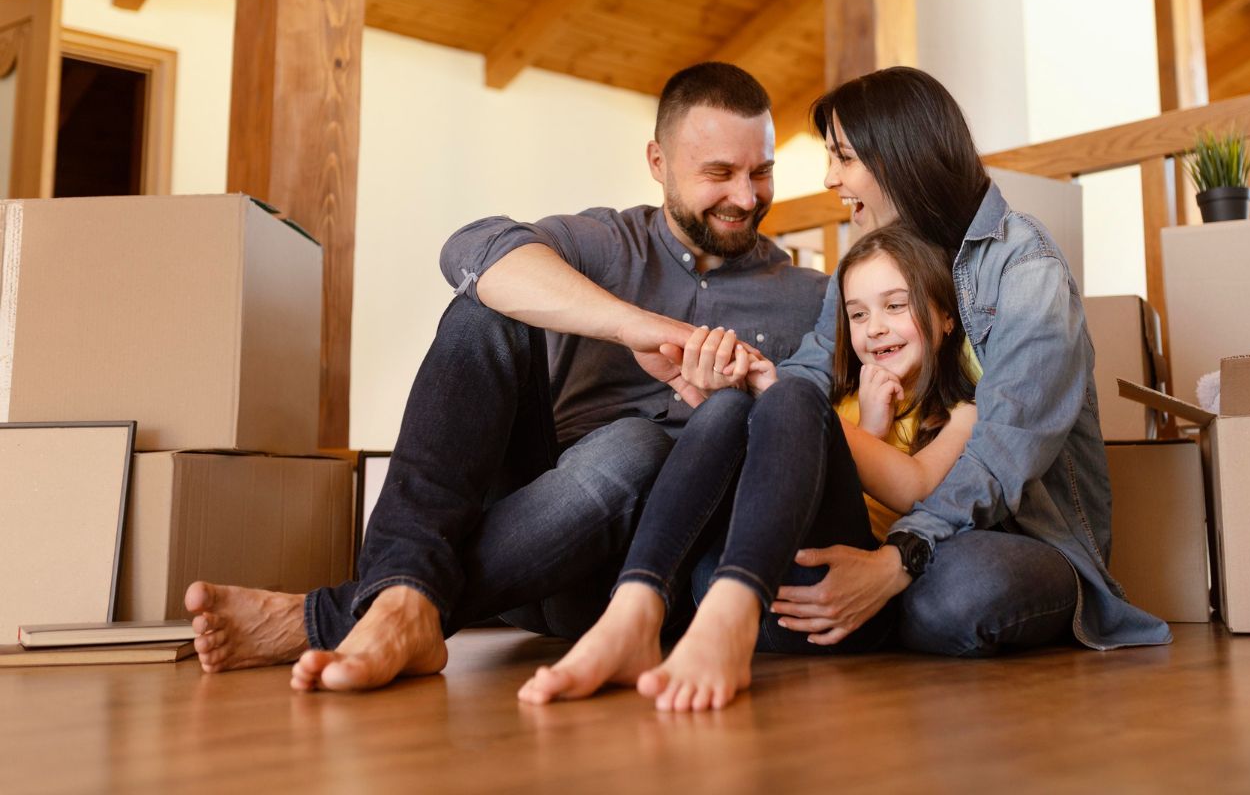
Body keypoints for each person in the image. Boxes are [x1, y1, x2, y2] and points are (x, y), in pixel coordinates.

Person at [183, 62, 828, 691]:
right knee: (485, 308)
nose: (746, 198)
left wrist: (747, 397)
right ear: (658, 163)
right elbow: (469, 251)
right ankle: (401, 593)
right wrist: (639, 328)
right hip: (532, 518)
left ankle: (356, 613)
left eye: (762, 173)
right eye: (719, 173)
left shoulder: (811, 298)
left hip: (638, 574)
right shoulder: (606, 242)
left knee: (640, 446)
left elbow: (815, 444)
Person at [760, 66, 1172, 658]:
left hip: (1020, 535)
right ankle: (867, 605)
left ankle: (880, 602)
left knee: (957, 594)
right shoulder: (871, 262)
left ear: (899, 157)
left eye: (843, 157)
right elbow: (807, 372)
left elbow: (1003, 455)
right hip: (896, 522)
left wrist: (900, 555)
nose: (830, 179)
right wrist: (754, 384)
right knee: (755, 586)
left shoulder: (1026, 270)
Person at [517, 226, 980, 710]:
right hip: (720, 585)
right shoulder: (838, 399)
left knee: (791, 396)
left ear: (947, 317)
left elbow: (916, 487)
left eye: (895, 305)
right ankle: (635, 608)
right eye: (858, 314)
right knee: (725, 409)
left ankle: (719, 612)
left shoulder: (960, 414)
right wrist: (757, 396)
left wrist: (866, 424)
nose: (875, 327)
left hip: (831, 607)